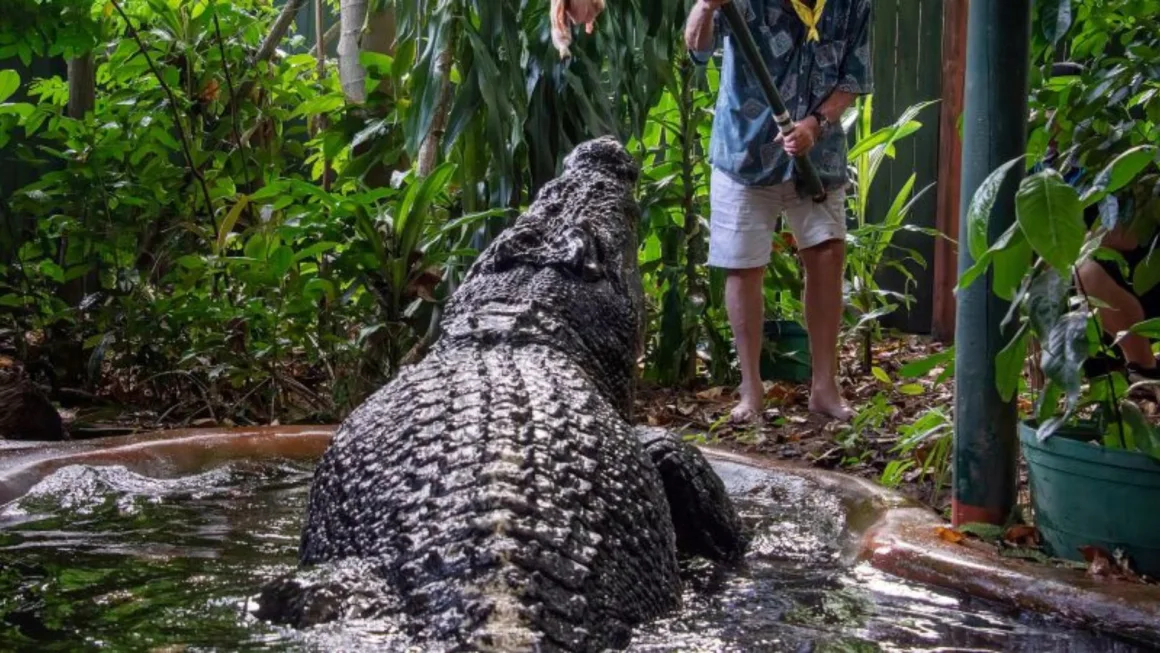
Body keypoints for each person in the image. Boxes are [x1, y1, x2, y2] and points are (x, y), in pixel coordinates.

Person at [684, 0, 873, 422]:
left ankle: (824, 388)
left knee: (827, 255)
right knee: (743, 265)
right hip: (745, 151)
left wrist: (816, 123)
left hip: (817, 155)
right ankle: (750, 393)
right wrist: (705, 7)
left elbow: (854, 76)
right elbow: (696, 47)